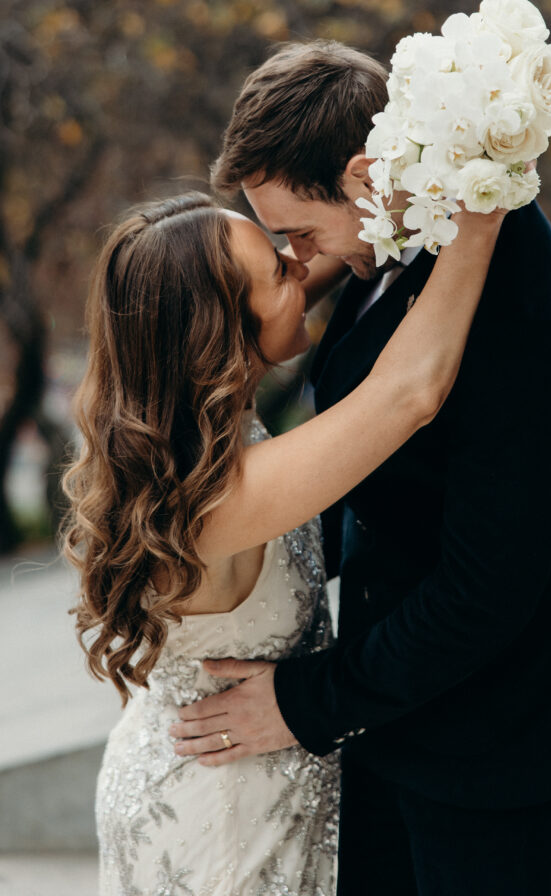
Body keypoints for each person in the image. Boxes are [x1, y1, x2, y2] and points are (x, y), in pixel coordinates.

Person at [174, 40, 551, 896]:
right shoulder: (399, 245)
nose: (298, 261)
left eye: (297, 234)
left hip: (487, 756)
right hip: (390, 721)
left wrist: (304, 703)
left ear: (361, 176)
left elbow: (482, 596)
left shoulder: (529, 327)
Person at [62, 189, 506, 895]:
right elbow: (410, 392)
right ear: (217, 332)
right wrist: (483, 203)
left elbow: (307, 271)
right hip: (222, 823)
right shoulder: (215, 500)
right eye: (278, 268)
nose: (302, 266)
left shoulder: (186, 447)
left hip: (211, 774)